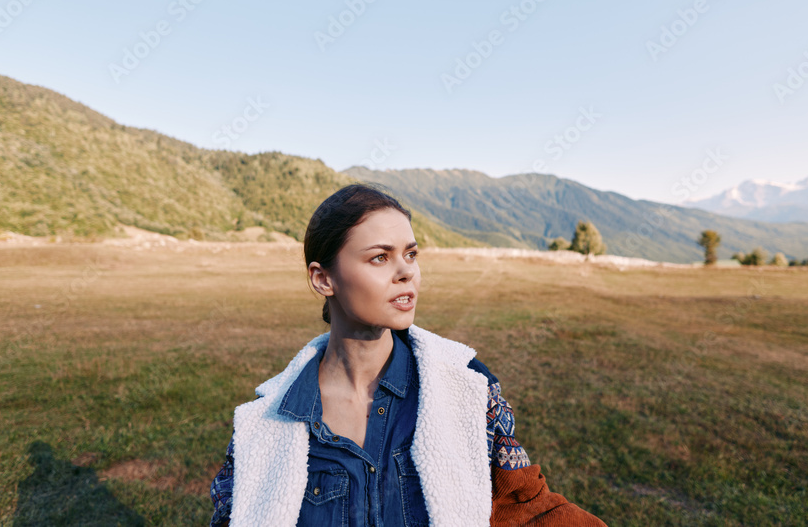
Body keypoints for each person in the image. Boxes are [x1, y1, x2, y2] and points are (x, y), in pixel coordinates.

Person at [209, 183, 608, 526]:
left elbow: (526, 508)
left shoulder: (465, 386)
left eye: (411, 254)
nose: (406, 272)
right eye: (380, 257)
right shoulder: (264, 425)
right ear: (323, 278)